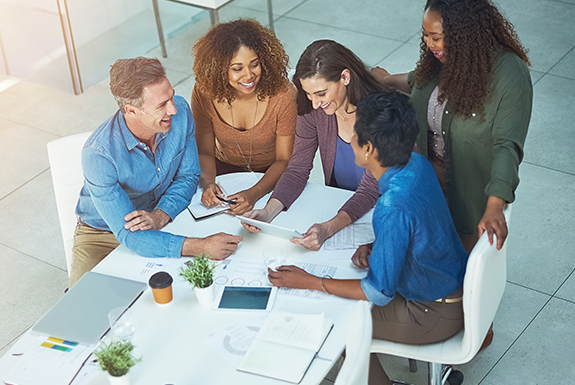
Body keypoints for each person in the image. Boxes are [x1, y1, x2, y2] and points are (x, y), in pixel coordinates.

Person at [268, 90, 468, 385]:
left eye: (355, 133)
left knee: (339, 324)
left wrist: (310, 281)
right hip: (452, 288)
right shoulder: (417, 165)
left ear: (369, 149)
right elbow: (422, 225)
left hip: (434, 312)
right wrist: (379, 246)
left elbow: (377, 291)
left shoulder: (390, 207)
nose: (350, 137)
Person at [372, 0, 532, 254]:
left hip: (468, 202)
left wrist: (494, 206)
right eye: (425, 36)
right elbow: (418, 84)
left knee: (453, 276)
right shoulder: (441, 60)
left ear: (464, 35)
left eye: (436, 37)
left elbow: (507, 146)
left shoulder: (509, 73)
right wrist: (383, 79)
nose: (429, 44)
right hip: (426, 190)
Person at [70, 57, 243, 286]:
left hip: (161, 214)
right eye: (161, 105)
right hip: (100, 234)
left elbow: (188, 176)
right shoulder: (99, 155)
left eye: (170, 96)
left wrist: (160, 215)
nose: (173, 109)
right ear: (131, 110)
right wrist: (200, 246)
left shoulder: (180, 111)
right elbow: (131, 236)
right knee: (82, 308)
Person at [242, 40, 384, 251]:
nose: (315, 103)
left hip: (381, 215)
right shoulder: (313, 110)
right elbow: (297, 170)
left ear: (345, 77)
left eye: (321, 93)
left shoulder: (381, 114)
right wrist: (268, 212)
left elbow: (371, 190)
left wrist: (328, 228)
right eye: (308, 94)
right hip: (342, 209)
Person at [191, 19, 297, 215]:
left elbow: (284, 159)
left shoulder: (284, 95)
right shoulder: (204, 92)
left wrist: (254, 193)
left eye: (254, 64)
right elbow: (205, 152)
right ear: (219, 69)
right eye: (237, 68)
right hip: (223, 172)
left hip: (272, 175)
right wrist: (208, 184)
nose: (249, 76)